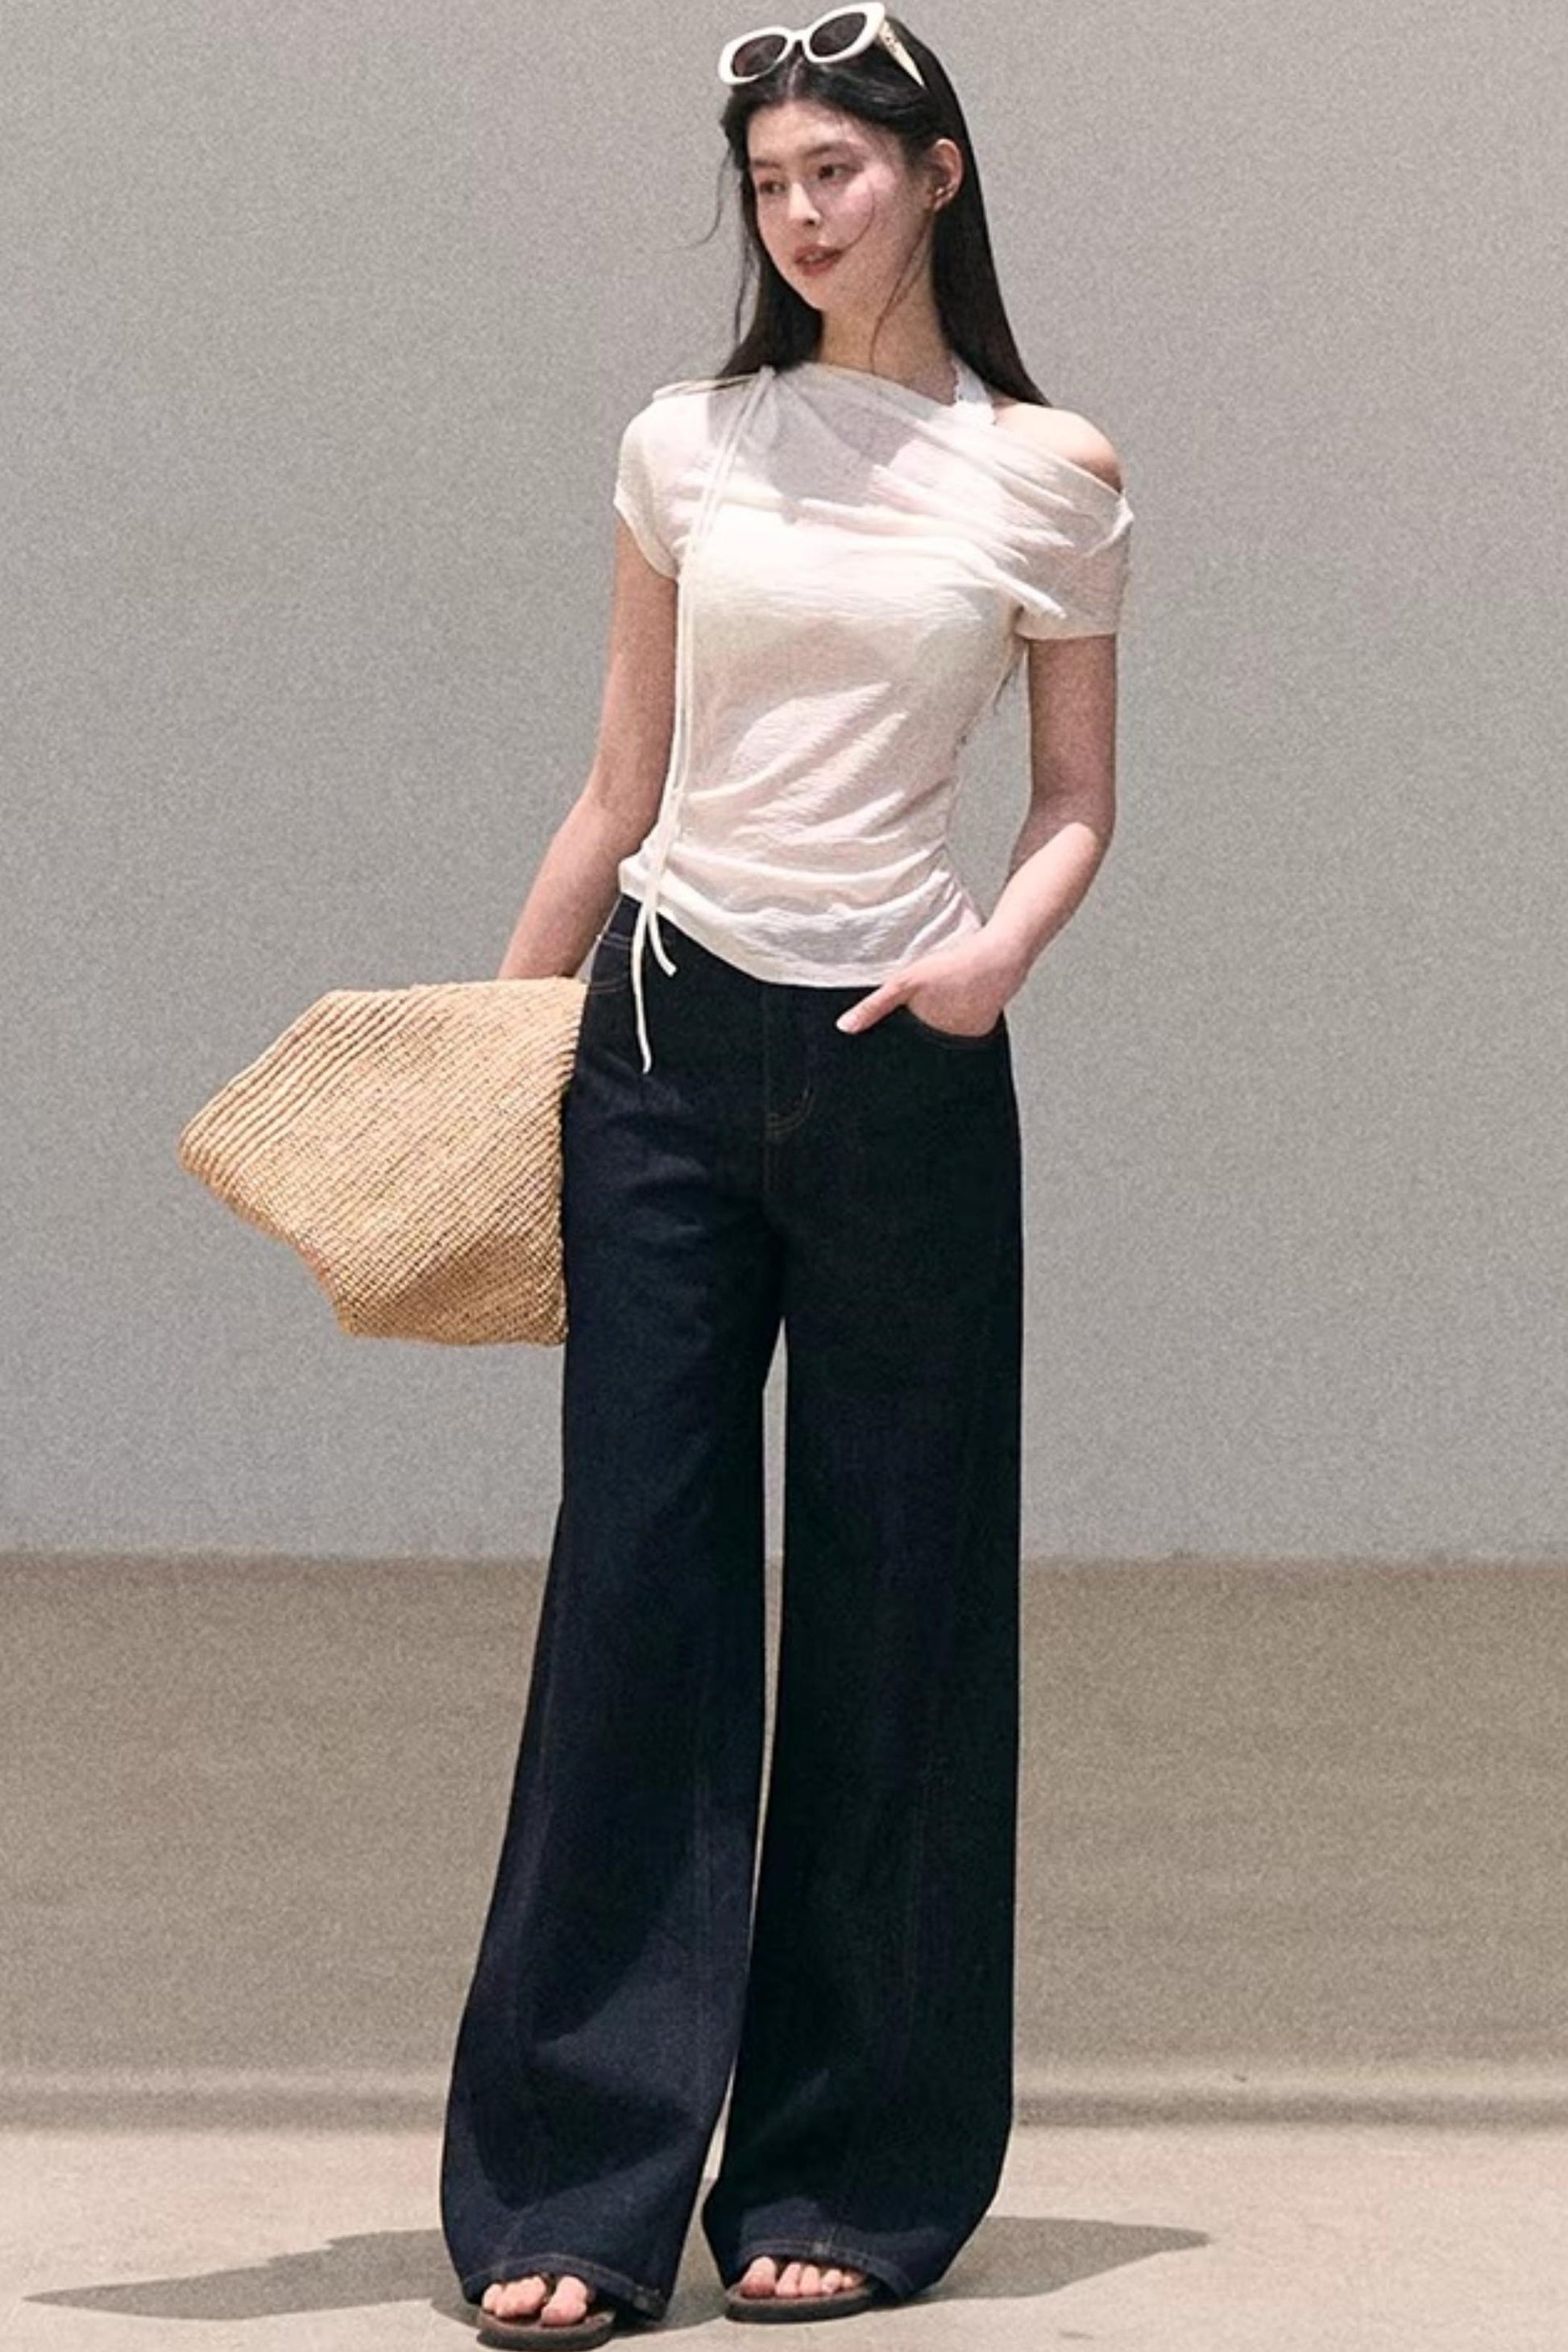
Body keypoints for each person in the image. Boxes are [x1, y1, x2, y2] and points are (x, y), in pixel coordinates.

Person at [440, 9, 1134, 2344]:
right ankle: (574, 2184)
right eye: (767, 182)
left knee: (898, 1599)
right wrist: (504, 1040)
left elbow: (1073, 799)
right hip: (659, 1042)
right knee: (635, 1591)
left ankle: (848, 2166)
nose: (801, 214)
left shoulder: (1045, 469)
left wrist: (993, 958)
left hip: (903, 1062)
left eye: (837, 169)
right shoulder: (687, 442)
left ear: (937, 173)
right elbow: (617, 779)